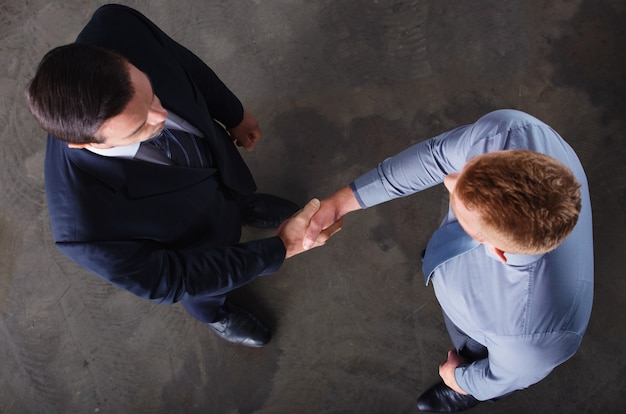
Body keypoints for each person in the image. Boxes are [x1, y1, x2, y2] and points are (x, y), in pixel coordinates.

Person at [26, 4, 339, 348]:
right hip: (197, 244)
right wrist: (281, 248)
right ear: (83, 143)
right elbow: (173, 278)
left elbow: (182, 65)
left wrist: (232, 113)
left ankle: (243, 205)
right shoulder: (83, 229)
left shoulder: (117, 26)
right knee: (207, 292)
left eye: (151, 96)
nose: (161, 117)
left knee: (232, 192)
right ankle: (215, 314)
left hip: (215, 168)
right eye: (140, 125)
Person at [304, 109, 593, 411]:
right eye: (469, 168)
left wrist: (461, 380)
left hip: (481, 338)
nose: (450, 180)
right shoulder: (507, 130)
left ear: (496, 251)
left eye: (463, 212)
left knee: (474, 361)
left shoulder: (531, 341)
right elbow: (436, 158)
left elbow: (504, 376)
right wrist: (341, 203)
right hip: (463, 266)